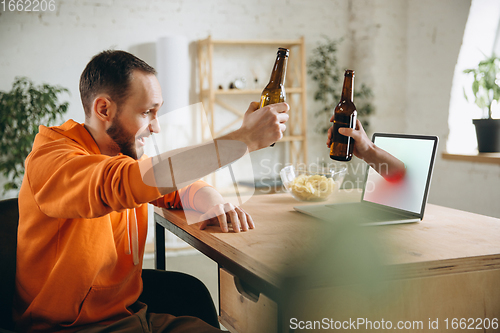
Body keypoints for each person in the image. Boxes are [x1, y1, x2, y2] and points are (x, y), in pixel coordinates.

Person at [14, 50, 289, 333]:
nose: (156, 127)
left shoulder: (119, 156)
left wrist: (211, 200)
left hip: (134, 317)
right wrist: (241, 141)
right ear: (104, 109)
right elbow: (124, 183)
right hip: (70, 328)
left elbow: (175, 186)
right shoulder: (52, 159)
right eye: (147, 113)